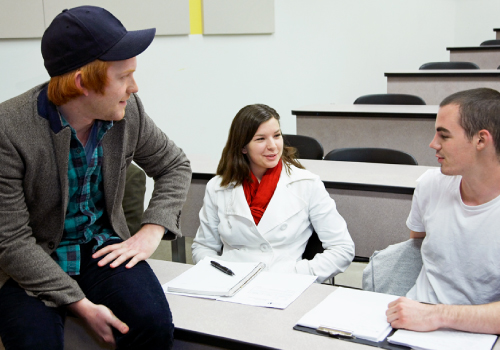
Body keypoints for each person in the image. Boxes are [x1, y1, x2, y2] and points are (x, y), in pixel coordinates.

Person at [0, 6, 192, 350]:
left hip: (100, 248)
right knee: (34, 342)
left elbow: (174, 165)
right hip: (31, 259)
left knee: (153, 325)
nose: (134, 87)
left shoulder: (128, 112)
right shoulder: (8, 130)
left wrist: (152, 230)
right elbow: (12, 241)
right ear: (81, 83)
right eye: (123, 76)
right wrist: (81, 305)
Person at [385, 88, 500, 335]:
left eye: (444, 136)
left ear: (481, 140)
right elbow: (416, 248)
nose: (433, 144)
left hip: (481, 335)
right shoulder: (430, 185)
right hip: (413, 326)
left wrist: (439, 315)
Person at [191, 104, 354, 283]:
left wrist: (298, 276)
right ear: (243, 147)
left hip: (284, 283)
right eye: (260, 139)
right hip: (231, 282)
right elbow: (203, 246)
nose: (273, 146)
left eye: (277, 136)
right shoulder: (217, 186)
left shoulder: (307, 184)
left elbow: (342, 248)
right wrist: (218, 273)